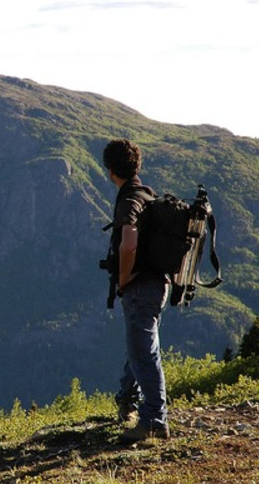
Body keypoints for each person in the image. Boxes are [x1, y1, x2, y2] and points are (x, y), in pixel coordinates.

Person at [103, 139, 170, 443]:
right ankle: (127, 400)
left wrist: (125, 276)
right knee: (140, 345)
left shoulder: (129, 200)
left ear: (111, 170)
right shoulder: (148, 194)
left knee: (144, 351)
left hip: (140, 286)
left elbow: (128, 241)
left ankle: (154, 419)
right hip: (160, 283)